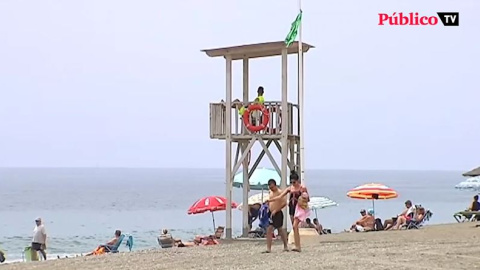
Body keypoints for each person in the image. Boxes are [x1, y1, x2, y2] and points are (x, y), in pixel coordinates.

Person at [268, 170, 309, 252]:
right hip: (292, 207)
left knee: (294, 226)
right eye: (291, 182)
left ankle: (297, 246)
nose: (293, 183)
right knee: (295, 228)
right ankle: (298, 245)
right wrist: (270, 200)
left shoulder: (302, 188)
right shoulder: (290, 188)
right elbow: (280, 196)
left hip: (299, 208)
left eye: (294, 182)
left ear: (297, 181)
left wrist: (303, 198)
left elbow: (308, 199)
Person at [262, 179, 289, 253]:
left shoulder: (280, 192)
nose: (271, 189)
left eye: (272, 187)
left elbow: (284, 203)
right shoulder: (270, 192)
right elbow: (271, 201)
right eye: (270, 187)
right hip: (271, 213)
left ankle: (285, 245)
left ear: (275, 185)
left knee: (280, 230)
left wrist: (276, 210)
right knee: (269, 229)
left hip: (278, 213)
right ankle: (268, 248)